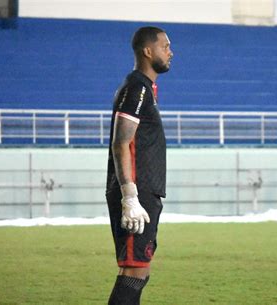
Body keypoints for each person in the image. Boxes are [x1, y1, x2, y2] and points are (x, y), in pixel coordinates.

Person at [105, 26, 173, 305]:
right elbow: (121, 143)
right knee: (133, 272)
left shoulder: (145, 89)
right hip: (138, 193)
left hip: (146, 192)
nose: (171, 52)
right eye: (165, 46)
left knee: (140, 271)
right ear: (148, 51)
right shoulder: (137, 87)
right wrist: (130, 197)